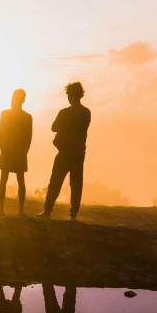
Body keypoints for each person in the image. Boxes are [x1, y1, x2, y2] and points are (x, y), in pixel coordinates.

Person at [41, 82, 91, 220]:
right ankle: (73, 214)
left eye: (68, 95)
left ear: (71, 95)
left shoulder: (64, 113)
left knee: (55, 182)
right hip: (78, 153)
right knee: (76, 184)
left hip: (64, 152)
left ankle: (47, 211)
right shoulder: (86, 112)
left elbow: (54, 127)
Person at [0, 89, 32, 215]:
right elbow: (0, 133)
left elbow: (28, 137)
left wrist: (22, 151)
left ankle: (9, 209)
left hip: (13, 151)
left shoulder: (8, 114)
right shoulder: (24, 116)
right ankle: (8, 209)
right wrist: (4, 149)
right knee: (13, 179)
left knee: (10, 179)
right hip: (12, 151)